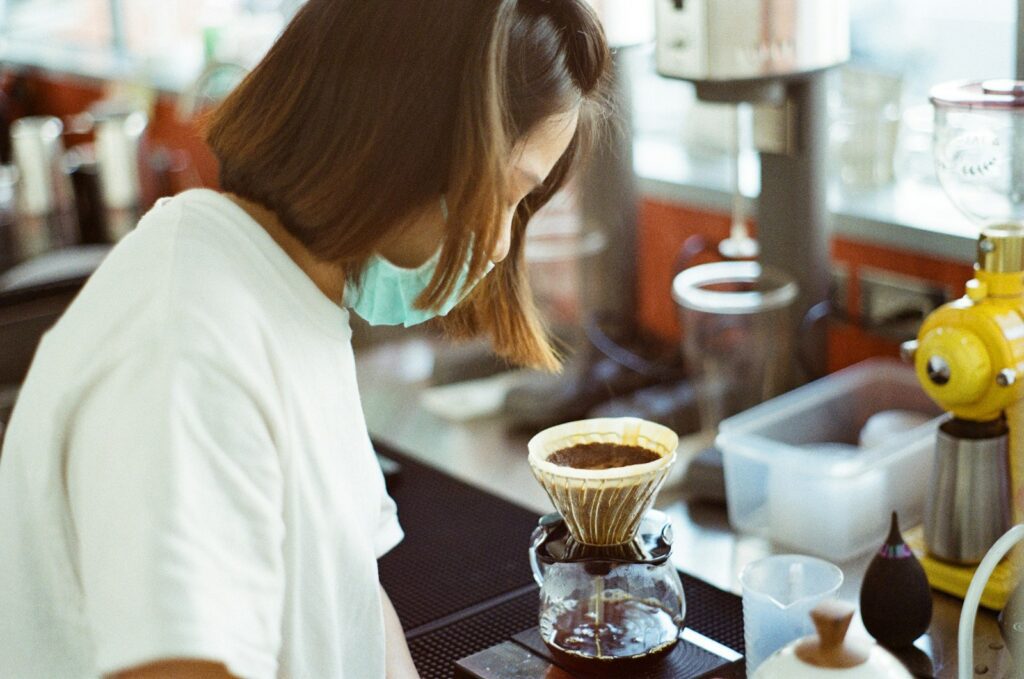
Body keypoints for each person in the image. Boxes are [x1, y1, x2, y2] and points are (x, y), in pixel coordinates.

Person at [0, 1, 611, 677]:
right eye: (505, 192)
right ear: (404, 132)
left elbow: (353, 599)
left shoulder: (291, 292)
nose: (499, 241)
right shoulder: (187, 348)